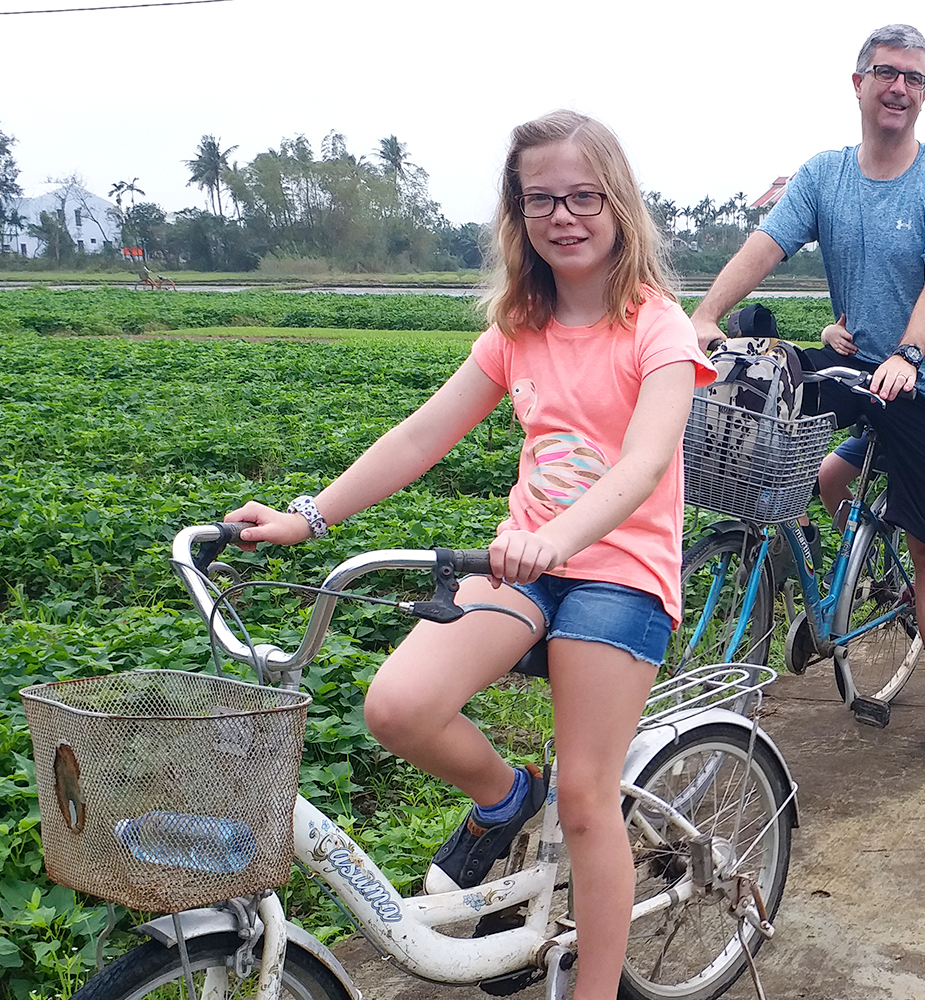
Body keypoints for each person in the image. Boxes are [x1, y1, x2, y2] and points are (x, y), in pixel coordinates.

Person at [225, 110, 713, 1000]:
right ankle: (502, 800)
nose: (563, 216)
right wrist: (309, 517)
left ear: (618, 204)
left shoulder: (657, 325)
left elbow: (644, 463)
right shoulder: (516, 328)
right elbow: (421, 436)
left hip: (621, 577)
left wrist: (558, 538)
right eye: (540, 201)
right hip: (524, 568)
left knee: (589, 798)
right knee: (399, 705)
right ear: (517, 214)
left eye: (582, 196)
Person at [691, 23, 925, 767]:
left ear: (924, 94)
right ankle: (807, 572)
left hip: (923, 380)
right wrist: (704, 315)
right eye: (886, 73)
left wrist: (912, 354)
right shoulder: (824, 175)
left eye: (913, 78)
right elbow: (766, 246)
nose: (899, 87)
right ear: (858, 83)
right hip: (856, 363)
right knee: (781, 459)